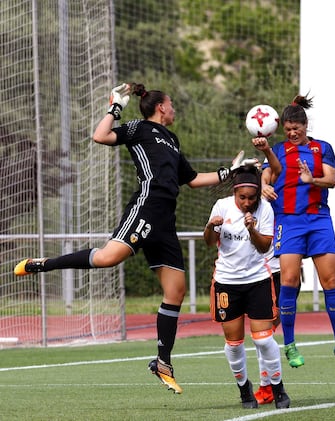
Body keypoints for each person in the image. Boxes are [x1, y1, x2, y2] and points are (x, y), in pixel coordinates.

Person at [14, 82, 244, 394]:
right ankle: (43, 264)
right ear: (161, 107)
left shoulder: (172, 140)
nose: (174, 108)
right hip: (146, 208)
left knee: (176, 291)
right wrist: (115, 106)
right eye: (171, 104)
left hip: (165, 221)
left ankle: (163, 362)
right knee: (109, 258)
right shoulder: (139, 128)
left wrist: (230, 172)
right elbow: (101, 136)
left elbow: (191, 180)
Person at [252, 94, 335, 368]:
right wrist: (264, 185)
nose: (292, 133)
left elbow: (331, 180)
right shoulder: (277, 150)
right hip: (287, 221)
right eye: (288, 130)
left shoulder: (322, 148)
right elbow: (267, 173)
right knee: (288, 281)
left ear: (305, 125)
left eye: (296, 128)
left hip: (318, 219)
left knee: (330, 282)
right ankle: (290, 345)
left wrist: (313, 179)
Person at [204, 163, 290, 409]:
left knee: (263, 340)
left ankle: (278, 388)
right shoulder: (222, 206)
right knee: (234, 343)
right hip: (226, 283)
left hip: (257, 281)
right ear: (234, 193)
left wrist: (251, 229)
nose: (247, 202)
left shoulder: (265, 210)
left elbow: (264, 247)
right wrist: (210, 226)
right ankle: (244, 390)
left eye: (251, 198)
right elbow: (210, 242)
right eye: (242, 197)